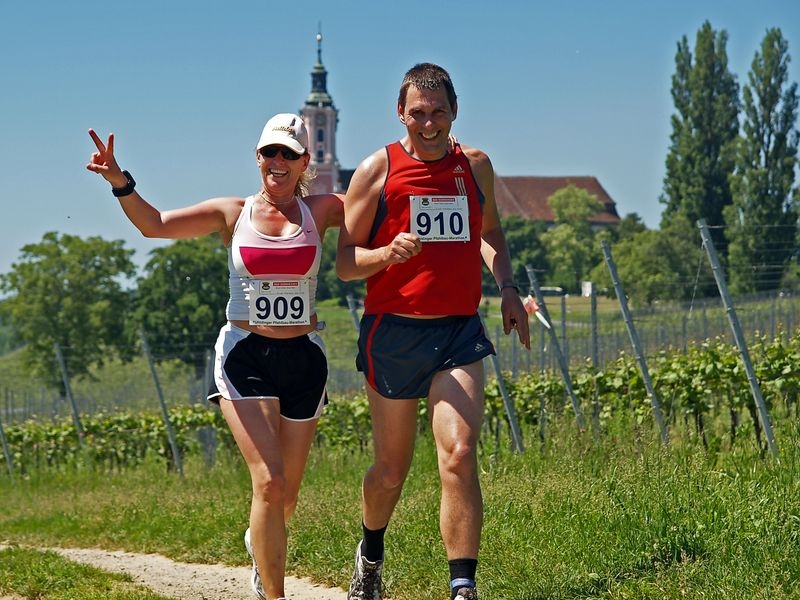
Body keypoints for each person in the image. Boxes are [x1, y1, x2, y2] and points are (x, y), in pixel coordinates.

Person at [86, 114, 343, 600]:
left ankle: (258, 541)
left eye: (289, 153)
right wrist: (121, 182)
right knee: (268, 482)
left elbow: (386, 211)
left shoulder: (324, 209)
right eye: (270, 152)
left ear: (305, 161)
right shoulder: (233, 212)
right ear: (258, 158)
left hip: (305, 357)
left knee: (285, 495)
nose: (279, 162)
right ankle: (273, 593)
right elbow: (155, 225)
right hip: (244, 352)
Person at [336, 63, 531, 600]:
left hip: (457, 332)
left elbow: (489, 232)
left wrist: (508, 288)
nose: (428, 124)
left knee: (460, 453)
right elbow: (346, 263)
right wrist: (385, 252)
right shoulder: (376, 171)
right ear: (401, 113)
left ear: (454, 110)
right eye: (417, 113)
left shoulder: (476, 167)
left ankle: (462, 588)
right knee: (390, 472)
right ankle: (370, 556)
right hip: (393, 334)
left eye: (437, 112)